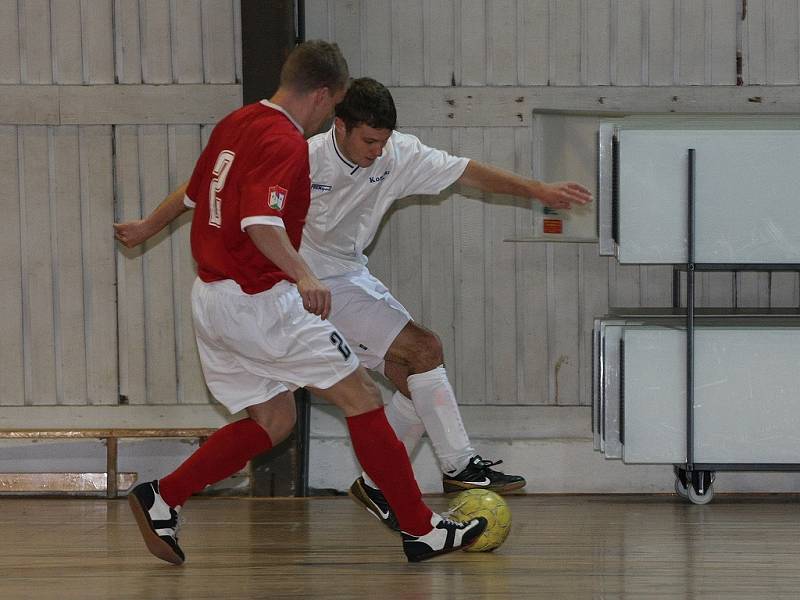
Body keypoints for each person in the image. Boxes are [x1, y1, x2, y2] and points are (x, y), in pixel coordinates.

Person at [116, 77, 592, 533]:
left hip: (349, 277)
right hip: (309, 290)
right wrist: (148, 226)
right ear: (338, 126)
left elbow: (467, 172)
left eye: (383, 141)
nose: (377, 151)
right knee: (421, 352)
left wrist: (538, 191)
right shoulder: (302, 156)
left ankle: (376, 486)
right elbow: (203, 189)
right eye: (368, 141)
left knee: (393, 383)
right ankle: (458, 466)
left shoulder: (398, 154)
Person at [124, 44, 486, 567]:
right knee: (361, 394)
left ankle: (163, 496)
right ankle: (422, 529)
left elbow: (195, 192)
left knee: (274, 419)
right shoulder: (285, 142)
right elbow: (260, 223)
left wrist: (144, 228)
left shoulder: (237, 122)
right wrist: (305, 273)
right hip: (261, 302)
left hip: (212, 300)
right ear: (323, 94)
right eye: (332, 103)